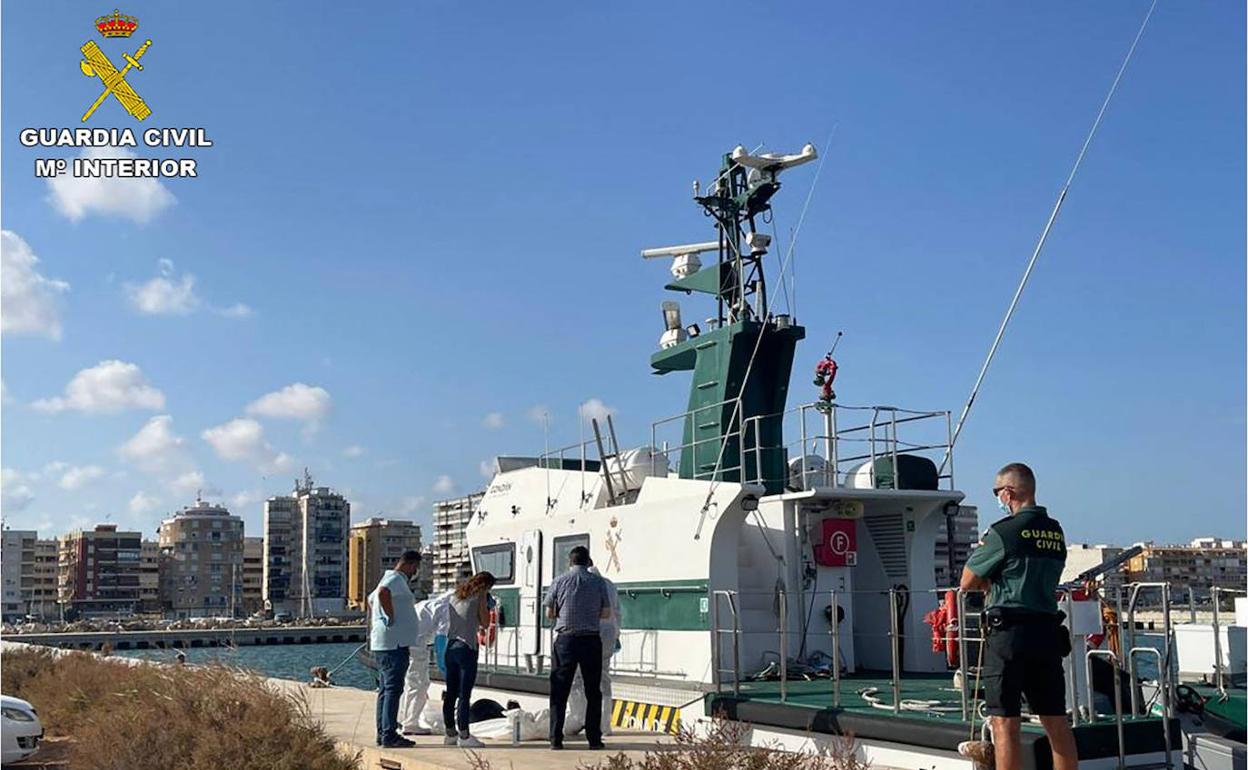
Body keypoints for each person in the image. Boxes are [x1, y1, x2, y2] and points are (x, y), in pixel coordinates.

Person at [960, 463, 1077, 770]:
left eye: (997, 492)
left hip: (1009, 634)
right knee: (1055, 721)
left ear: (1008, 492)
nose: (998, 498)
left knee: (1004, 723)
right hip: (1047, 633)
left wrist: (991, 582)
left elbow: (967, 581)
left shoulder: (1003, 531)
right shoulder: (1055, 531)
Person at [544, 545, 611, 751]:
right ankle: (594, 739)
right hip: (591, 640)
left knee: (559, 690)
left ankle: (556, 738)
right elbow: (606, 613)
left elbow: (549, 613)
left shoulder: (559, 581)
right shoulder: (599, 583)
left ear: (570, 561)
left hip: (566, 640)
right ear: (587, 561)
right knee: (593, 691)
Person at [367, 549, 423, 749]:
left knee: (385, 690)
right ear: (409, 564)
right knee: (393, 689)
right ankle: (389, 735)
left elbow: (370, 599)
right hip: (394, 644)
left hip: (386, 643)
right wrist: (389, 618)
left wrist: (380, 619)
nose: (415, 572)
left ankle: (383, 733)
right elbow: (382, 594)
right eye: (415, 568)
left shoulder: (388, 578)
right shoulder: (396, 579)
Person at [443, 571, 496, 749]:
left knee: (450, 693)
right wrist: (483, 600)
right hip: (467, 648)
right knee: (464, 695)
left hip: (450, 647)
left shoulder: (455, 596)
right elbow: (486, 623)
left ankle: (450, 733)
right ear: (486, 586)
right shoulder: (479, 597)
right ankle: (464, 736)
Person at [399, 589, 454, 736]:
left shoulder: (427, 604)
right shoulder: (446, 610)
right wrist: (444, 666)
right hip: (416, 646)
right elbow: (441, 640)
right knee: (420, 685)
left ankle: (405, 719)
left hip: (403, 643)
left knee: (409, 684)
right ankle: (411, 723)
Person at [586, 560, 620, 736]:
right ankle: (605, 725)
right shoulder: (609, 584)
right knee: (604, 678)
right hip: (609, 634)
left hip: (591, 634)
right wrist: (617, 634)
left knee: (581, 678)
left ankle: (583, 720)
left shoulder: (587, 583)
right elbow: (617, 612)